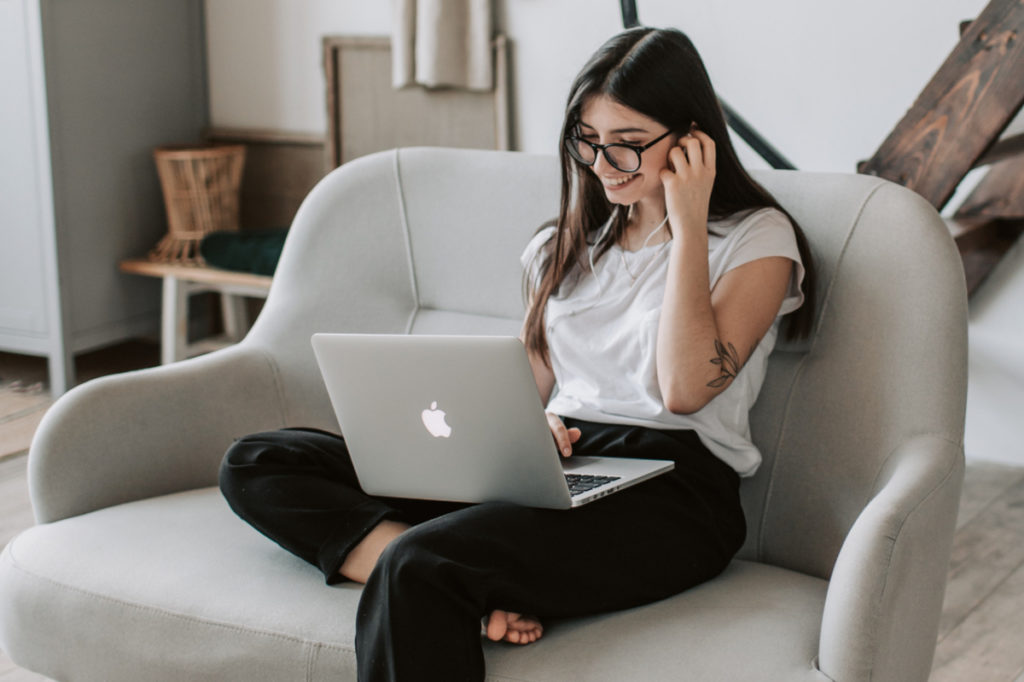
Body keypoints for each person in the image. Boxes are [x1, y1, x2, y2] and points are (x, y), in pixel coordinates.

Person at [219, 26, 814, 682]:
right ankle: (418, 567)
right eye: (588, 142)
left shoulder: (758, 241)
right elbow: (527, 384)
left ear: (693, 137)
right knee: (258, 460)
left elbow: (684, 387)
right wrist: (519, 434)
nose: (603, 166)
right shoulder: (561, 248)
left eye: (628, 146)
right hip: (559, 467)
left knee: (422, 567)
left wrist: (689, 221)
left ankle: (423, 569)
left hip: (675, 494)